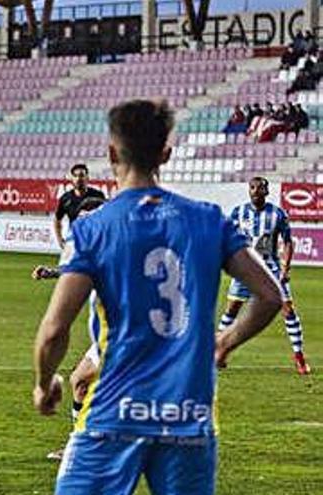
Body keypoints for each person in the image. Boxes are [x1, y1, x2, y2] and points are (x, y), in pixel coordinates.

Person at [33, 99, 282, 494]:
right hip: (189, 415)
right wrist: (225, 343)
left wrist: (45, 384)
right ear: (166, 153)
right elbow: (270, 295)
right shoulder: (209, 220)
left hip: (113, 415)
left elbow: (54, 329)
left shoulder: (92, 229)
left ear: (112, 152)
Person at [32, 195, 106, 461]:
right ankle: (81, 445)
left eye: (90, 218)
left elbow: (54, 328)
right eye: (81, 219)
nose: (84, 224)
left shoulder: (107, 244)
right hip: (107, 339)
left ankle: (87, 447)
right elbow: (77, 272)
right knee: (80, 381)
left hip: (122, 338)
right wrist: (52, 273)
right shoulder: (102, 244)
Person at [218, 177, 312, 375]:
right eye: (252, 187)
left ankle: (299, 358)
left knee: (288, 310)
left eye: (259, 188)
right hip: (245, 268)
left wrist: (285, 268)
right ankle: (219, 352)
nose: (255, 191)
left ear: (266, 191)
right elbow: (226, 237)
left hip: (272, 270)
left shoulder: (277, 214)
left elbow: (288, 242)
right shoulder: (238, 213)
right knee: (232, 309)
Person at [53, 163, 106, 249]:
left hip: (94, 242)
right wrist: (60, 240)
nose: (78, 179)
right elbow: (57, 220)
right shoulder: (65, 199)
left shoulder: (98, 196)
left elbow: (105, 219)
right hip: (74, 241)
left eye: (82, 175)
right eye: (75, 176)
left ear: (87, 178)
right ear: (71, 178)